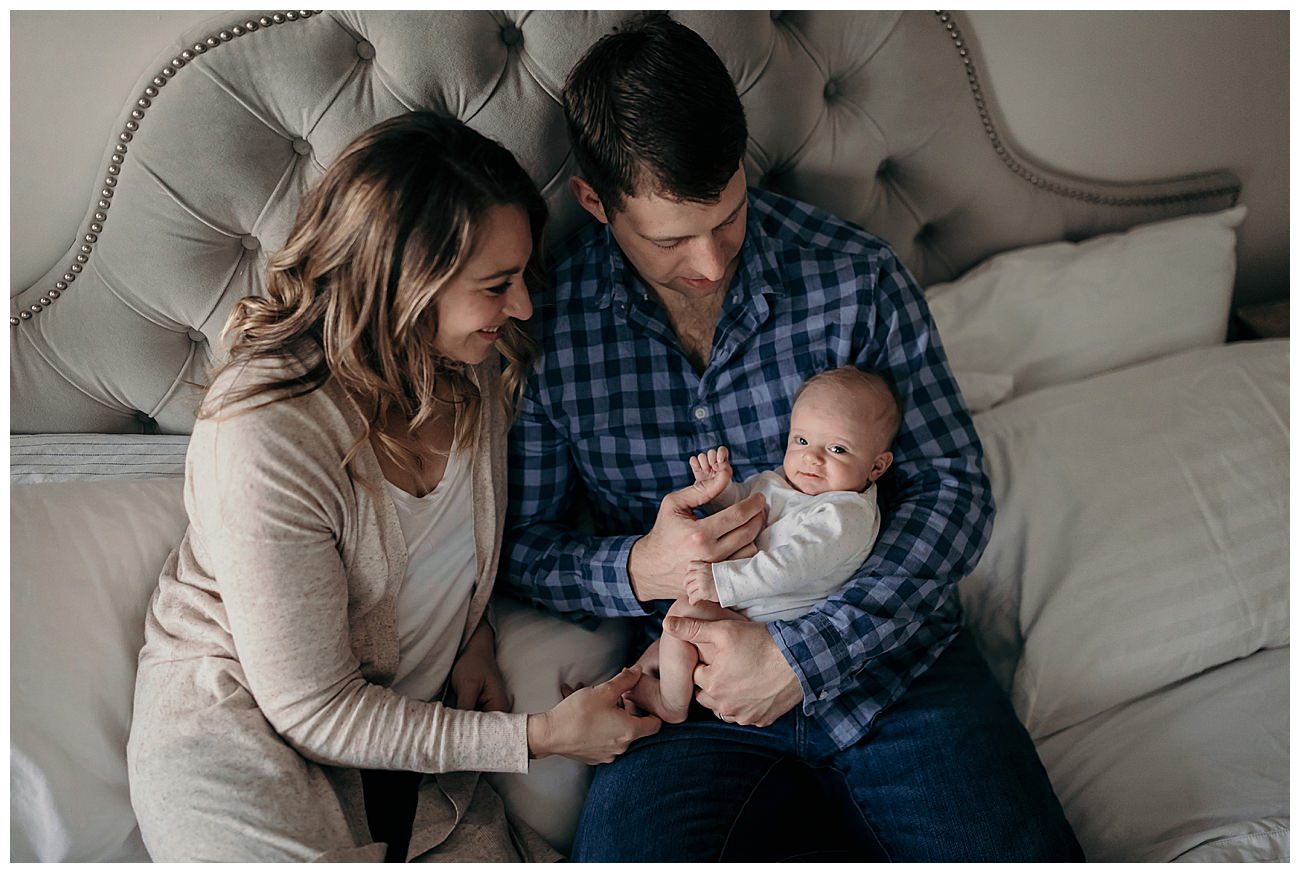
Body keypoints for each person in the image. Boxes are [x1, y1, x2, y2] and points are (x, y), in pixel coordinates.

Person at [500, 14, 1084, 862]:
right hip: (690, 704)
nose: (709, 260)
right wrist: (640, 567)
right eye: (670, 239)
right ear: (594, 201)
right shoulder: (550, 331)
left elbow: (954, 489)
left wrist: (802, 655)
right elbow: (521, 546)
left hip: (896, 671)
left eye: (728, 216)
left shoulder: (856, 277)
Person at [125, 111, 660, 863]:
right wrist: (536, 737)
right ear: (409, 283)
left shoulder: (472, 369)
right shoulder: (267, 430)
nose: (524, 308)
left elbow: (438, 551)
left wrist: (470, 630)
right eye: (498, 285)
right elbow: (313, 706)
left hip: (411, 755)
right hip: (244, 739)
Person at [632, 366, 901, 723]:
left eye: (837, 449)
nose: (812, 458)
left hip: (774, 627)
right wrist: (720, 491)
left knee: (684, 613)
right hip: (747, 607)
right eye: (801, 441)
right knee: (671, 632)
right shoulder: (782, 482)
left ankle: (672, 705)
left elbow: (791, 566)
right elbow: (744, 506)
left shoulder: (844, 514)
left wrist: (723, 581)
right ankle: (640, 677)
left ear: (877, 466)